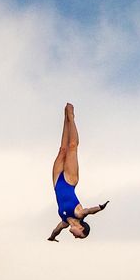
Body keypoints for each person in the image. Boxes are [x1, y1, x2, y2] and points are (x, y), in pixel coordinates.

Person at [48, 103, 108, 241]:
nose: (75, 237)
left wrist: (52, 237)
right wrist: (100, 208)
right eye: (79, 236)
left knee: (62, 150)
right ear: (81, 228)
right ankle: (71, 117)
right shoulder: (79, 214)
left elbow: (56, 230)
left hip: (57, 181)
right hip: (70, 180)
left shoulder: (64, 222)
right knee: (72, 147)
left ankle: (65, 117)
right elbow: (89, 211)